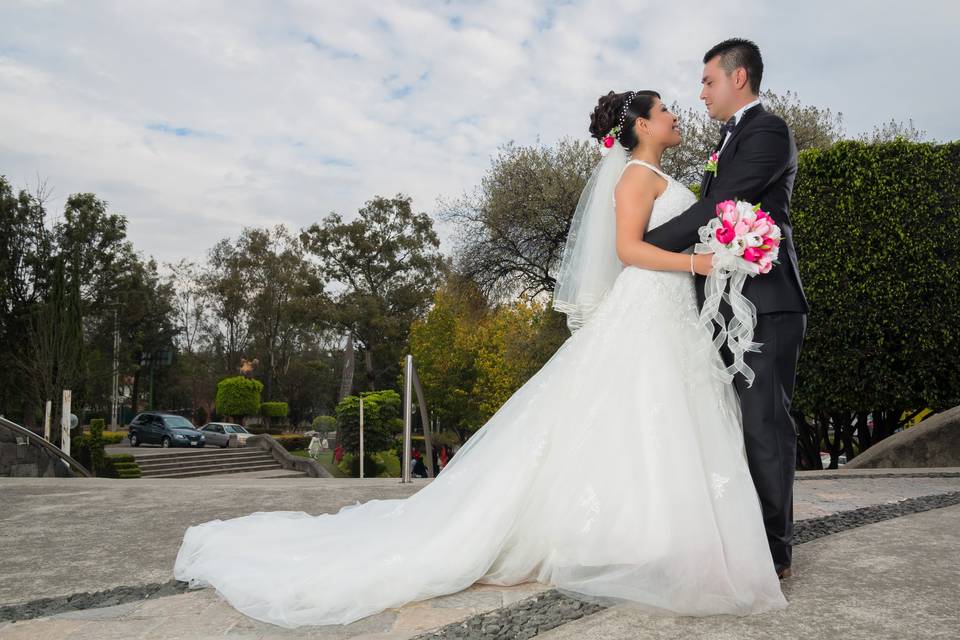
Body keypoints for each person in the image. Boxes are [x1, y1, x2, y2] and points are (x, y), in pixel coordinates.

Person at [173, 53, 790, 631]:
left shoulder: (657, 171)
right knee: (638, 411)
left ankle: (663, 532)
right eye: (665, 110)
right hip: (652, 304)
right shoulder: (634, 177)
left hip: (669, 314)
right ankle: (632, 535)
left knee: (654, 417)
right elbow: (629, 252)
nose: (679, 111)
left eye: (689, 97)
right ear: (640, 125)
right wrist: (699, 265)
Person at [641, 38, 808, 579]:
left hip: (767, 301)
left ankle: (775, 552)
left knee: (764, 423)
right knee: (732, 423)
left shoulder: (768, 131)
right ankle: (745, 537)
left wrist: (645, 247)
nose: (701, 92)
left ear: (739, 79)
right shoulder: (728, 138)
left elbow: (722, 207)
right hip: (727, 304)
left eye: (708, 80)